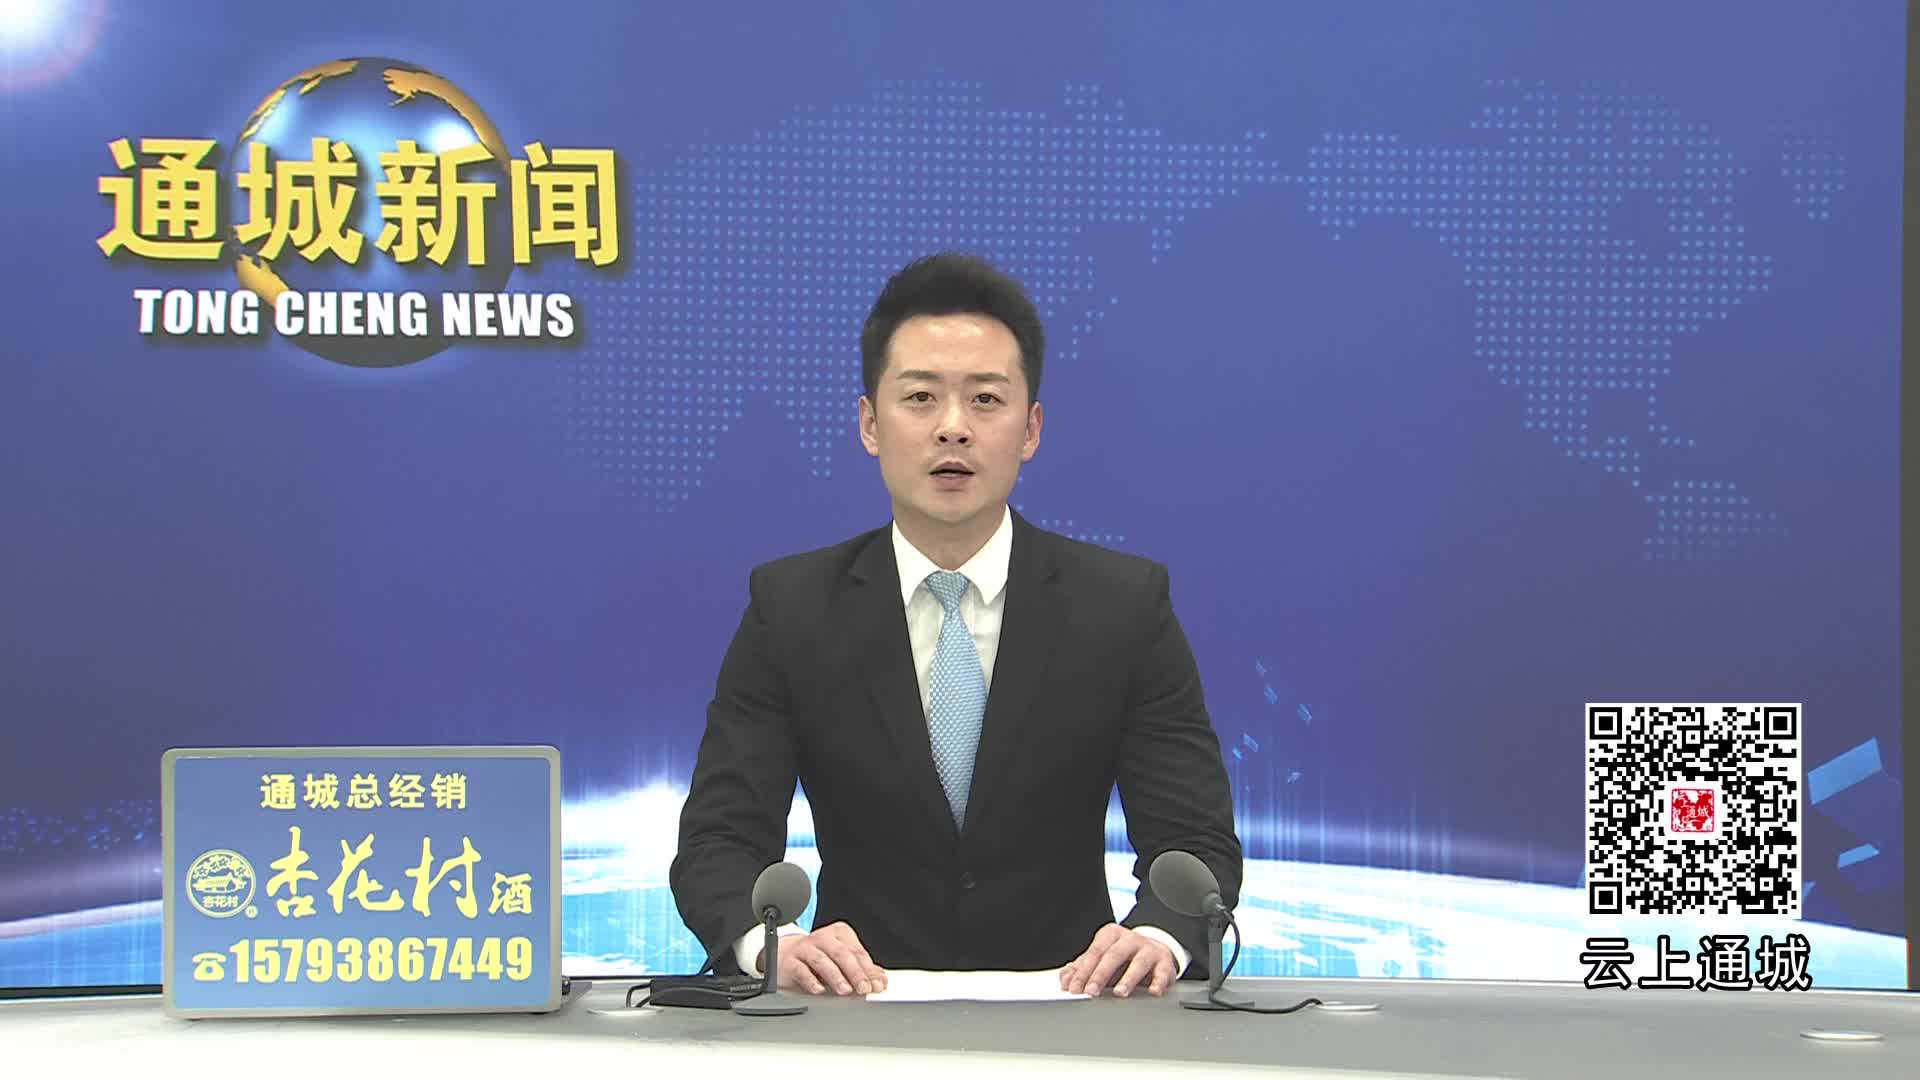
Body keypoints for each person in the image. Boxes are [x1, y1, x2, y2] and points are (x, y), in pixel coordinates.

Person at [670, 252, 1242, 999]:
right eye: (920, 397)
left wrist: (1156, 939)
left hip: (1074, 1012)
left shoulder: (1123, 607)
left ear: (1030, 429)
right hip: (853, 1013)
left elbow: (1195, 840)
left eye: (985, 400)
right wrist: (769, 944)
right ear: (870, 424)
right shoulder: (792, 607)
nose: (953, 428)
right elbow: (719, 840)